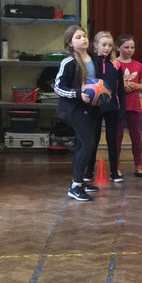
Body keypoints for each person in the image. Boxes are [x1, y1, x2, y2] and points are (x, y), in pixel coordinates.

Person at [53, 25, 98, 202]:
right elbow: (58, 87)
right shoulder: (69, 61)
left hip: (91, 107)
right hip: (75, 109)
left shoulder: (93, 59)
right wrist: (78, 94)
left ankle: (78, 181)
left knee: (83, 144)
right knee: (88, 143)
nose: (83, 39)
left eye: (85, 36)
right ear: (70, 43)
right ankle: (76, 186)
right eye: (78, 37)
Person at [86, 31, 124, 184]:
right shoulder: (89, 63)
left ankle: (114, 171)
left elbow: (120, 89)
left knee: (112, 140)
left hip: (111, 108)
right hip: (94, 108)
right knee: (92, 140)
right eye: (104, 45)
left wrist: (121, 109)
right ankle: (88, 171)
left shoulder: (115, 65)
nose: (107, 48)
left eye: (109, 45)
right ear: (95, 46)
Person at [114, 33, 142, 177]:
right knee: (117, 137)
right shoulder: (114, 64)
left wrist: (136, 86)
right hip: (118, 106)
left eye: (132, 47)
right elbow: (107, 84)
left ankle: (139, 165)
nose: (129, 50)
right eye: (126, 47)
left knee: (136, 137)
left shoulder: (138, 65)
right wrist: (120, 86)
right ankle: (115, 167)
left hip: (134, 106)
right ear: (118, 48)